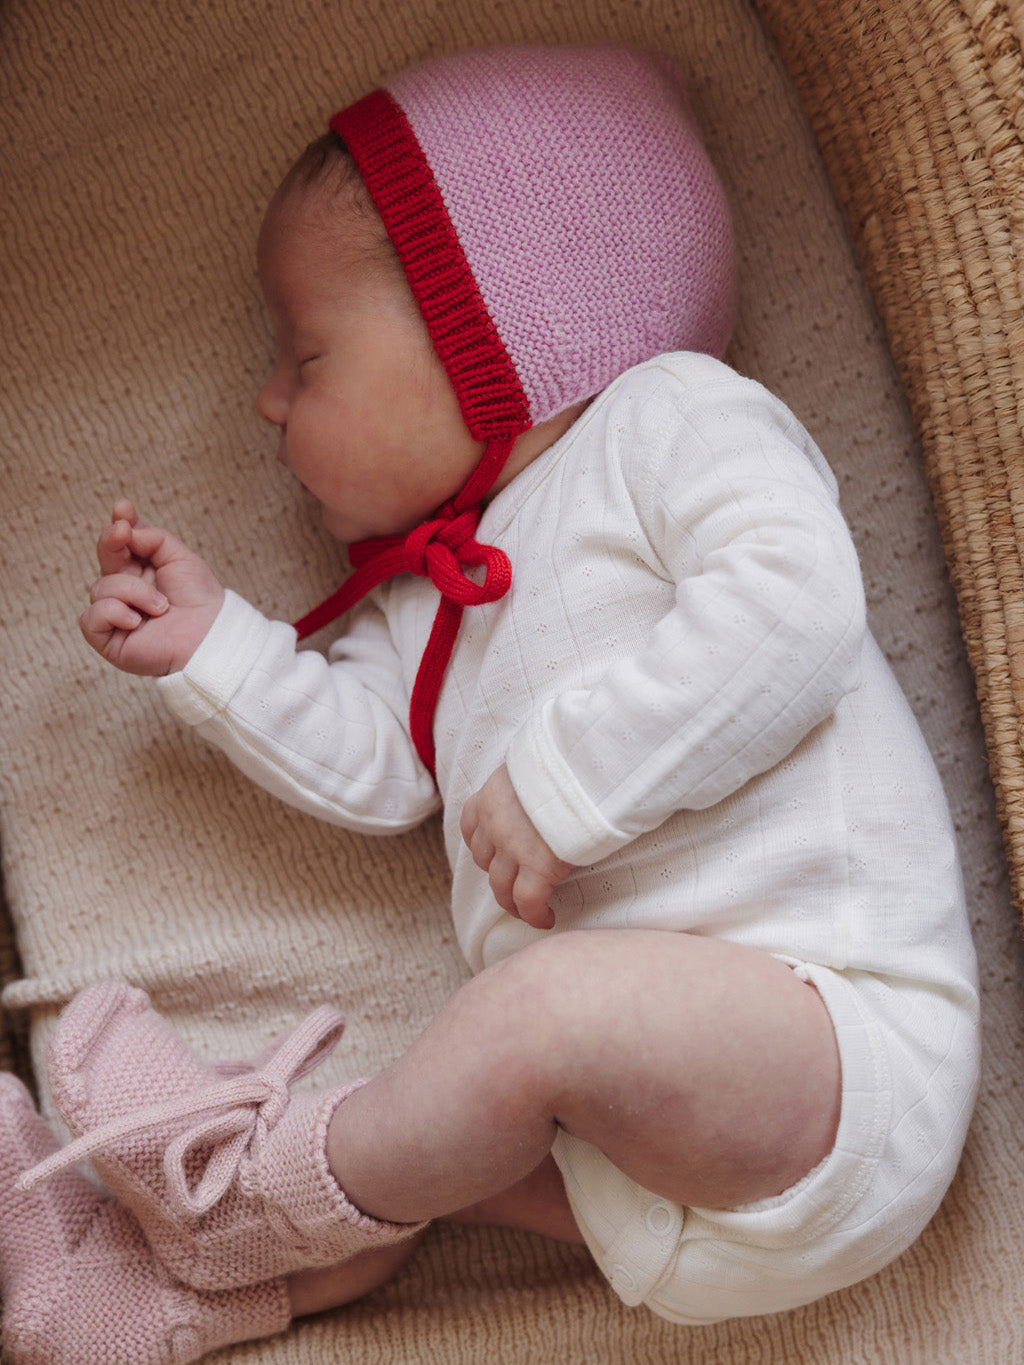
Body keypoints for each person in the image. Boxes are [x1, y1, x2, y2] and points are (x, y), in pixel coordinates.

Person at [0, 43, 979, 1365]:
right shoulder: (431, 599)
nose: (268, 400)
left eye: (307, 352)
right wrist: (214, 644)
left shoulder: (666, 423)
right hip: (637, 1163)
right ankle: (149, 1293)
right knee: (426, 1127)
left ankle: (239, 1197)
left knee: (520, 1030)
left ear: (491, 331)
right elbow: (383, 770)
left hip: (839, 1060)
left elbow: (795, 600)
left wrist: (573, 781)